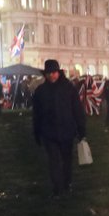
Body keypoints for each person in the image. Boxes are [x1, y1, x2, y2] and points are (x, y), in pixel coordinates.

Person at [32, 59, 86, 197]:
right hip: (49, 132)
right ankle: (57, 187)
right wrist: (37, 131)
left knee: (67, 160)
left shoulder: (68, 88)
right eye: (49, 73)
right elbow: (37, 114)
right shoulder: (40, 91)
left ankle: (67, 183)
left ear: (58, 72)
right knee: (54, 161)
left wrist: (81, 129)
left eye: (54, 72)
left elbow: (77, 110)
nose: (51, 76)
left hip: (67, 131)